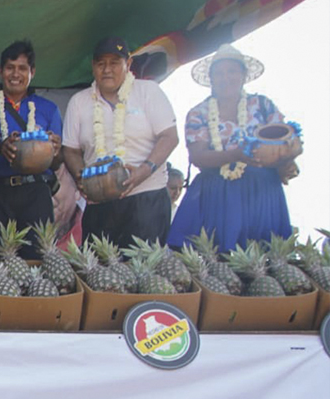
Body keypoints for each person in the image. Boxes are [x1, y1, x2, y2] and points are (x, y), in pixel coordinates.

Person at [166, 45, 295, 251]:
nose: (225, 78)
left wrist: (287, 162)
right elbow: (197, 156)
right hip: (216, 192)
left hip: (260, 191)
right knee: (216, 260)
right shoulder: (199, 112)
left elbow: (284, 141)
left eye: (232, 71)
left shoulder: (263, 105)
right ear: (211, 78)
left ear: (243, 75)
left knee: (266, 258)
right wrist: (235, 154)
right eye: (219, 73)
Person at [62, 37, 178, 249]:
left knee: (145, 273)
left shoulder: (148, 91)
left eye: (114, 62)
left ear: (129, 64)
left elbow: (169, 137)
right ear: (93, 67)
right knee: (100, 273)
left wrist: (143, 171)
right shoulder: (79, 101)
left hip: (146, 199)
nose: (107, 69)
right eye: (100, 63)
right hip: (99, 203)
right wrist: (82, 179)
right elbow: (70, 150)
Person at [0, 40, 63, 260]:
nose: (15, 74)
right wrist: (0, 148)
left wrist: (54, 151)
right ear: (1, 71)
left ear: (32, 72)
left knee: (39, 258)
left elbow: (58, 163)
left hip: (37, 193)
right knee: (0, 260)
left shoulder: (48, 109)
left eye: (22, 68)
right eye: (10, 68)